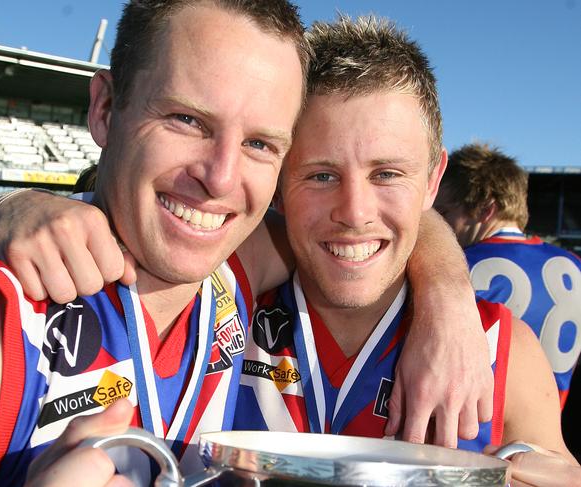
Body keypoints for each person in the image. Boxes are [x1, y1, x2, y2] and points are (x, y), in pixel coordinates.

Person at [0, 1, 493, 485]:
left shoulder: (236, 268)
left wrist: (448, 295)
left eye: (258, 143)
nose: (221, 178)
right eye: (187, 120)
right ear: (104, 109)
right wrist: (8, 206)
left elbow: (369, 226)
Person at [233, 16, 579, 485]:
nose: (355, 212)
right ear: (278, 178)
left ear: (434, 179)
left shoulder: (504, 348)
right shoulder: (218, 308)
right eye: (321, 174)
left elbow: (555, 467)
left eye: (387, 174)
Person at [434, 143, 581, 407]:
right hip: (550, 433)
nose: (438, 224)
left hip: (482, 436)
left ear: (484, 209)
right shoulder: (575, 266)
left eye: (444, 213)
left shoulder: (455, 268)